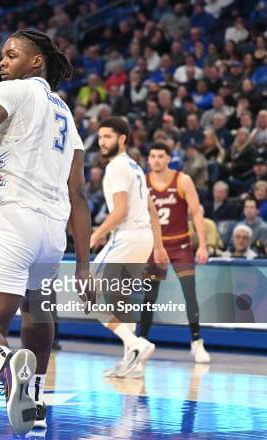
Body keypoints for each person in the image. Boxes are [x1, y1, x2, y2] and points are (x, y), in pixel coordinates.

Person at [0, 29, 90, 434]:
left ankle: (7, 364)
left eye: (11, 54)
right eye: (2, 56)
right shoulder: (66, 113)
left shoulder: (14, 91)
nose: (2, 62)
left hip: (13, 218)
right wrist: (83, 265)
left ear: (36, 62)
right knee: (37, 314)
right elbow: (79, 195)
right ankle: (36, 399)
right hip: (53, 235)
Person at [89, 117, 168, 379]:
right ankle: (133, 363)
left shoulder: (117, 167)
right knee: (120, 299)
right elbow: (152, 212)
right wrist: (157, 245)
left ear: (122, 138)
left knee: (87, 291)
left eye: (108, 137)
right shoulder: (135, 166)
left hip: (127, 236)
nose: (102, 142)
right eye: (100, 137)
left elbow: (121, 211)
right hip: (142, 237)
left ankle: (135, 344)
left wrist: (96, 234)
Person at [141, 142, 211, 363]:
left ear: (169, 158)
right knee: (148, 297)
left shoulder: (182, 180)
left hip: (180, 245)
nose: (156, 160)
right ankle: (140, 342)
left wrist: (202, 245)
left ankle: (197, 342)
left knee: (189, 293)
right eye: (152, 156)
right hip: (155, 246)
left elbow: (196, 214)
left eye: (161, 156)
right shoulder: (142, 181)